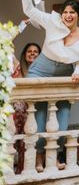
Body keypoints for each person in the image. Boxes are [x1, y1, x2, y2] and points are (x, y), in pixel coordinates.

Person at [21, 0, 79, 172]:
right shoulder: (52, 22)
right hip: (41, 69)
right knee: (39, 114)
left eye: (72, 12)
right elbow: (29, 9)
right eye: (65, 12)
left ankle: (54, 156)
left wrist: (78, 71)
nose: (68, 16)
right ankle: (38, 156)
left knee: (62, 115)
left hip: (64, 73)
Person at [11, 41, 41, 173]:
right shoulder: (18, 68)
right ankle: (10, 170)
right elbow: (9, 53)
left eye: (36, 52)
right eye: (29, 51)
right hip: (17, 112)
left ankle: (23, 170)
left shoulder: (42, 71)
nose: (33, 53)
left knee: (27, 143)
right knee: (12, 141)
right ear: (24, 54)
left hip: (34, 112)